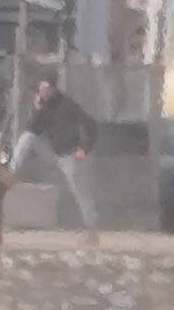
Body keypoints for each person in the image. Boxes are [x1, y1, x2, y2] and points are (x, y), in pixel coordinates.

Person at [14, 74, 106, 236]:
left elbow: (91, 126)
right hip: (51, 151)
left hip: (68, 154)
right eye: (41, 89)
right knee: (27, 138)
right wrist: (37, 110)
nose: (43, 92)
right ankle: (7, 174)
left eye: (46, 89)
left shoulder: (68, 105)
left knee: (79, 188)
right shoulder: (42, 106)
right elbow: (33, 129)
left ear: (54, 89)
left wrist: (84, 148)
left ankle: (91, 227)